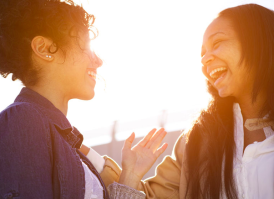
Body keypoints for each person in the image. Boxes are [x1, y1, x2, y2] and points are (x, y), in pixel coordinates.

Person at [0, 0, 168, 198]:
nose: (98, 61)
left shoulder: (67, 146)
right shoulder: (21, 120)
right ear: (44, 48)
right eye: (85, 47)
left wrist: (130, 176)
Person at [91, 3, 274, 199]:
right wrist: (130, 174)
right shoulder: (195, 141)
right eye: (202, 53)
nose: (204, 59)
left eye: (217, 43)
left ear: (258, 42)